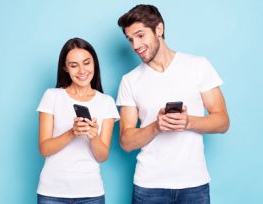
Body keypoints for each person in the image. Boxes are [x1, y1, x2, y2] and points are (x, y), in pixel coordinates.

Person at [116, 4, 230, 204]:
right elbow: (126, 141)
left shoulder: (198, 66)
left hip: (194, 184)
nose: (135, 45)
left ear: (159, 29)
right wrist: (157, 126)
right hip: (149, 186)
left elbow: (222, 122)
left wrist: (188, 122)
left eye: (140, 35)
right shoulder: (129, 80)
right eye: (130, 39)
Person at [36, 37, 119, 204]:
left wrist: (93, 136)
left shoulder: (106, 102)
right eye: (74, 65)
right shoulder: (52, 96)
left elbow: (102, 156)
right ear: (66, 68)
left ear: (94, 63)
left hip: (91, 192)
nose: (82, 70)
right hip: (52, 192)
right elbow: (44, 149)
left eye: (86, 63)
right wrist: (72, 132)